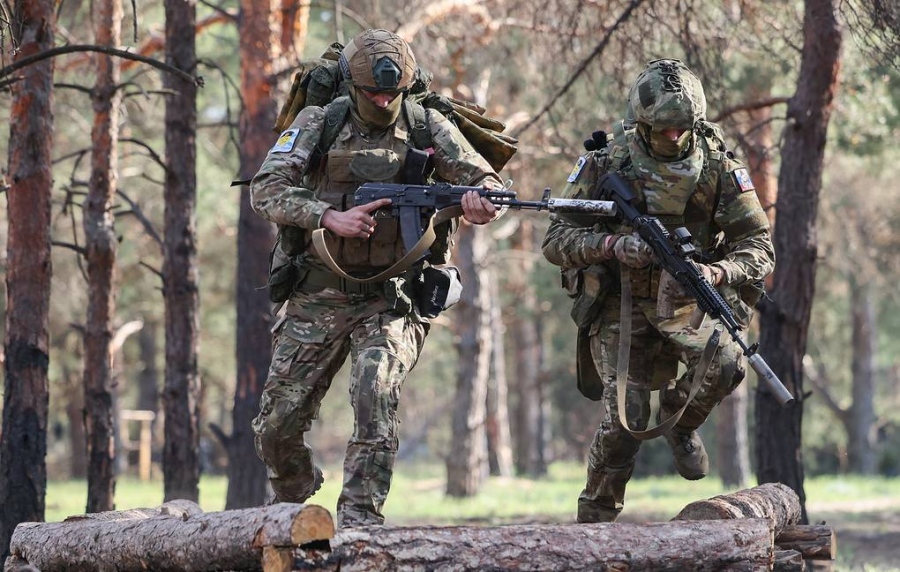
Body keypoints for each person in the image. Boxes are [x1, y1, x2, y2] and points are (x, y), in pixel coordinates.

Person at [249, 29, 503, 527]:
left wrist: (482, 198)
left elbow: (480, 176)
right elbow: (266, 188)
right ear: (353, 86)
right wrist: (327, 216)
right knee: (275, 426)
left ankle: (360, 526)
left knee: (375, 394)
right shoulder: (319, 121)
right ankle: (296, 489)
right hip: (319, 292)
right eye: (374, 93)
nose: (385, 101)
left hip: (394, 298)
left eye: (394, 92)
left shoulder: (427, 125)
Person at [542, 59, 775, 523]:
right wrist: (610, 244)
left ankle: (680, 422)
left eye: (683, 129)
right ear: (641, 124)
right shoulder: (607, 163)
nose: (674, 138)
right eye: (663, 129)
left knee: (729, 362)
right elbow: (555, 240)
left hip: (687, 297)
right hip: (619, 302)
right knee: (624, 422)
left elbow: (759, 244)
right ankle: (595, 518)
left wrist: (720, 272)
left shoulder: (718, 168)